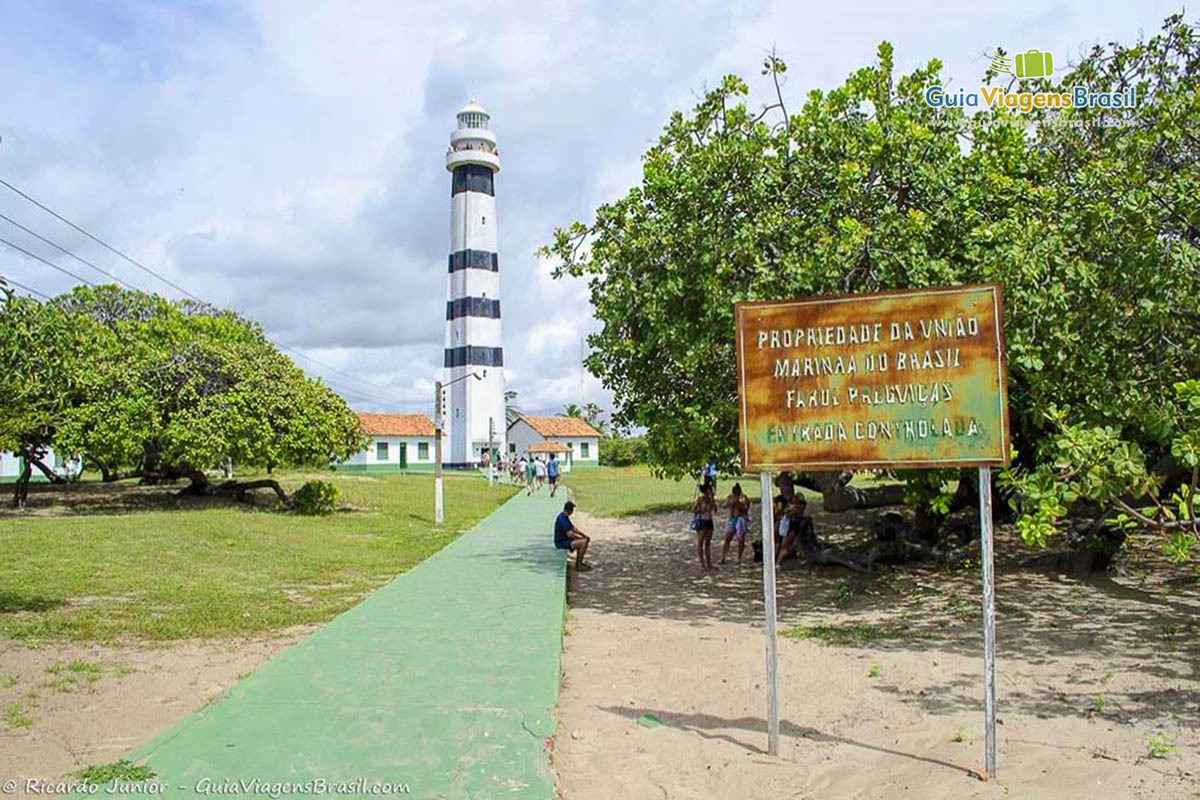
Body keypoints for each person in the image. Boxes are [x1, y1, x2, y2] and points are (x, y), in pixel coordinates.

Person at [777, 493, 815, 565]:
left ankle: (778, 562)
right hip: (787, 528)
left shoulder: (797, 514)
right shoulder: (790, 509)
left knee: (785, 544)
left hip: (792, 528)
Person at [719, 483, 751, 564]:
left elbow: (746, 509)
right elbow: (724, 506)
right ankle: (723, 557)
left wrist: (739, 504)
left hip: (741, 519)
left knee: (740, 539)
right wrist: (730, 503)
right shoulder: (730, 497)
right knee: (727, 538)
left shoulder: (744, 498)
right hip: (732, 519)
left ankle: (739, 558)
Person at [554, 501, 590, 571]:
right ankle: (578, 565)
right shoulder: (562, 518)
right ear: (570, 510)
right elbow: (570, 534)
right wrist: (581, 538)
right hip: (561, 542)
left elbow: (574, 529)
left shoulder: (565, 516)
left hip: (566, 540)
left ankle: (579, 562)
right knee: (583, 543)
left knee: (584, 540)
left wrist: (584, 535)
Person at [691, 483, 718, 570]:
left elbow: (715, 510)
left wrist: (713, 501)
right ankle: (702, 564)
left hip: (709, 521)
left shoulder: (711, 500)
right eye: (709, 490)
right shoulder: (700, 500)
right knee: (700, 543)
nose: (711, 492)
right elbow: (693, 509)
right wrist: (701, 510)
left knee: (708, 543)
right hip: (702, 521)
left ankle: (709, 563)